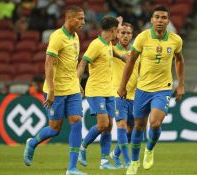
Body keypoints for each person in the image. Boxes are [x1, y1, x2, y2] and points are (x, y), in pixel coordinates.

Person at [117, 5, 185, 174]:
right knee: (139, 126)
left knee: (154, 123)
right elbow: (131, 62)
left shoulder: (176, 40)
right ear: (151, 20)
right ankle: (134, 162)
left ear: (168, 21)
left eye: (163, 18)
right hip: (142, 89)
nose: (160, 20)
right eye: (157, 17)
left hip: (163, 88)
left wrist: (181, 84)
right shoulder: (142, 38)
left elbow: (179, 61)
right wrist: (122, 86)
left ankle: (149, 149)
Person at [23, 6, 86, 175]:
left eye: (83, 19)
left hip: (72, 88)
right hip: (56, 90)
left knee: (76, 122)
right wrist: (51, 90)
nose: (83, 22)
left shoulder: (76, 37)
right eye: (80, 19)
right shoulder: (57, 37)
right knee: (54, 129)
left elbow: (71, 62)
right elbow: (48, 63)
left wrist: (77, 82)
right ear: (69, 18)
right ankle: (32, 143)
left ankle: (72, 168)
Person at [77, 16, 120, 170]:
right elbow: (83, 62)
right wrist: (77, 82)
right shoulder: (96, 45)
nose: (118, 34)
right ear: (113, 30)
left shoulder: (108, 44)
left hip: (108, 91)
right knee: (103, 124)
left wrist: (126, 58)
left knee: (108, 127)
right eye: (118, 31)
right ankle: (82, 147)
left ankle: (104, 162)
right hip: (95, 90)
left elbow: (115, 53)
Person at [109, 22, 140, 169]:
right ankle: (128, 161)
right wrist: (117, 24)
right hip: (117, 93)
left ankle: (115, 154)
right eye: (122, 33)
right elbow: (104, 39)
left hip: (135, 96)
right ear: (117, 34)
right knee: (121, 124)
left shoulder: (137, 52)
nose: (125, 36)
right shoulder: (112, 49)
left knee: (132, 130)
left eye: (128, 33)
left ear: (132, 35)